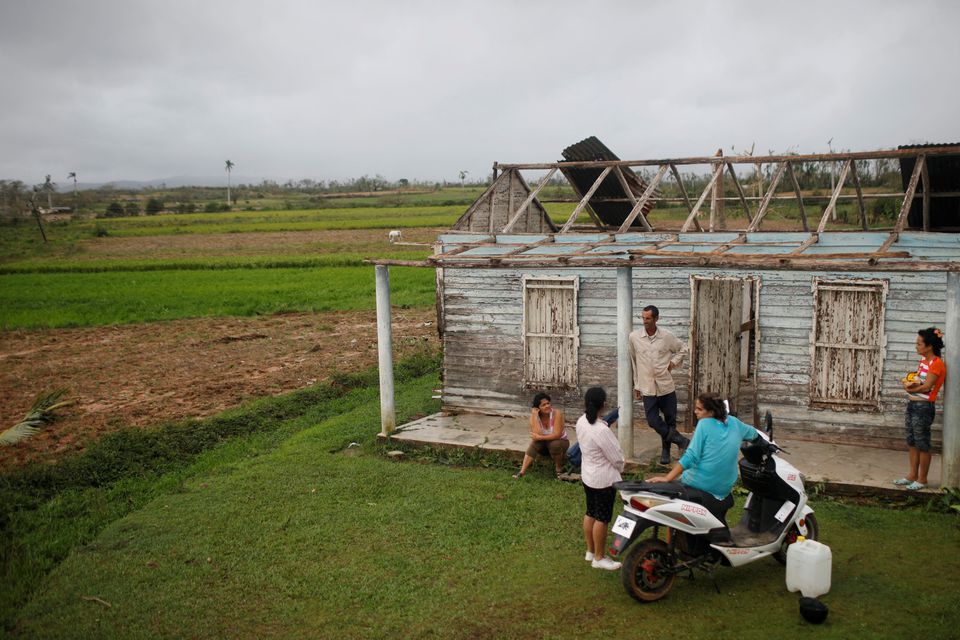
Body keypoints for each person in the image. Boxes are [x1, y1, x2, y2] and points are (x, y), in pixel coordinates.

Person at [647, 393, 759, 523]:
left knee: (674, 494)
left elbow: (690, 456)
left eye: (699, 409)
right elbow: (754, 434)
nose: (695, 412)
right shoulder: (735, 423)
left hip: (699, 484)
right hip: (723, 489)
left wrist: (667, 478)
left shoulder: (704, 424)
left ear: (711, 412)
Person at [628, 304, 690, 466]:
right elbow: (634, 362)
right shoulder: (634, 337)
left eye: (648, 318)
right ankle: (681, 440)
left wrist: (672, 363)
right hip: (647, 387)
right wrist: (637, 385)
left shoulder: (667, 337)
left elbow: (683, 348)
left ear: (656, 318)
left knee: (670, 420)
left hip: (666, 386)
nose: (645, 321)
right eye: (643, 318)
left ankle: (666, 452)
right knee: (653, 420)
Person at [577, 387, 625, 571]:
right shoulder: (601, 430)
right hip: (603, 480)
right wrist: (622, 466)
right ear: (603, 405)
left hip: (588, 475)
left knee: (590, 512)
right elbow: (616, 458)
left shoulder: (581, 421)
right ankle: (599, 557)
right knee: (602, 518)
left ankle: (590, 551)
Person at [895, 327, 946, 491]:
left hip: (923, 407)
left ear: (929, 345)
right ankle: (912, 475)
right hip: (913, 405)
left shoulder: (936, 364)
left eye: (919, 343)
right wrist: (909, 382)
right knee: (912, 441)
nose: (916, 346)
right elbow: (918, 381)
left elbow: (927, 387)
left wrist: (910, 389)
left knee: (922, 443)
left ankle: (922, 479)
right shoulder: (923, 361)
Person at [513, 392, 568, 479]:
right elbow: (537, 434)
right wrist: (535, 416)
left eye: (548, 403)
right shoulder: (534, 416)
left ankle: (558, 469)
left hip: (561, 443)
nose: (547, 406)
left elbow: (557, 435)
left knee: (554, 444)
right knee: (535, 443)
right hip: (545, 445)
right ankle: (522, 472)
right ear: (538, 408)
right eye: (543, 405)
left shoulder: (557, 413)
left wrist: (540, 437)